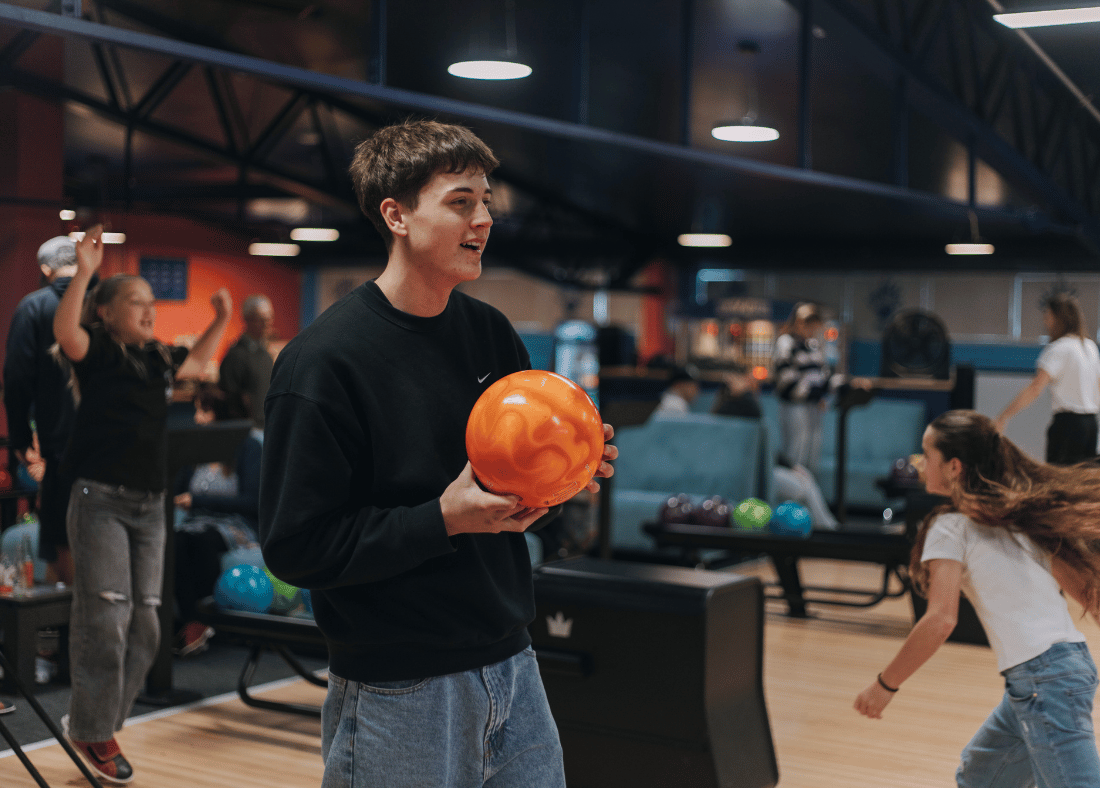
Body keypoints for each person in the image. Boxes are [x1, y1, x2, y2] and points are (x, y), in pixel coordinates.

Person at [259, 119, 617, 788]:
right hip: (399, 686)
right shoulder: (322, 364)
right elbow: (295, 546)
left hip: (512, 662)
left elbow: (503, 500)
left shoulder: (490, 333)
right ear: (396, 214)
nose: (483, 218)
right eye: (460, 201)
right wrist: (442, 519)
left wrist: (562, 473)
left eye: (485, 201)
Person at [53, 225, 231, 785]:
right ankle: (92, 729)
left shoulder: (155, 359)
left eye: (153, 304)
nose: (150, 312)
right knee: (106, 617)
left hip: (150, 507)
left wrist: (220, 320)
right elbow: (67, 330)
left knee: (149, 629)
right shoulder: (98, 352)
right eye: (137, 303)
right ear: (105, 312)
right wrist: (84, 272)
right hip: (100, 500)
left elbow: (197, 364)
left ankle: (95, 723)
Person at [854, 409, 1100, 787]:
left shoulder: (950, 527)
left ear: (954, 467)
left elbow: (940, 620)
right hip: (1059, 670)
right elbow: (1087, 593)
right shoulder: (1015, 516)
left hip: (1043, 681)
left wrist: (884, 685)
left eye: (927, 454)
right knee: (981, 777)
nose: (921, 463)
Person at [3, 235, 82, 586]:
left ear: (45, 269)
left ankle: (67, 634)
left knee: (62, 543)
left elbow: (17, 378)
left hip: (58, 448)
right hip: (111, 450)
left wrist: (19, 437)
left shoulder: (34, 307)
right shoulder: (103, 305)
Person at [172, 384, 262, 656]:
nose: (198, 418)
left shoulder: (249, 448)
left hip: (236, 526)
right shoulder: (197, 448)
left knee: (200, 541)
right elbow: (178, 489)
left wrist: (198, 501)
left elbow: (251, 502)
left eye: (205, 411)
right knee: (176, 540)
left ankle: (202, 619)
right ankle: (191, 619)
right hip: (194, 523)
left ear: (222, 414)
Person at [712, 370, 839, 529]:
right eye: (745, 380)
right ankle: (828, 528)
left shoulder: (740, 405)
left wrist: (791, 466)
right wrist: (745, 392)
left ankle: (828, 526)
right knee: (805, 485)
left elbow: (767, 448)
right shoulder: (741, 406)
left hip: (763, 470)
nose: (752, 383)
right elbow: (762, 450)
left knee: (806, 478)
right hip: (758, 474)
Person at [994, 293, 1100, 464]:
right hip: (1090, 425)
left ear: (1059, 318)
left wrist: (1003, 416)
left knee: (1060, 482)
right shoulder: (1090, 347)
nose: (1045, 321)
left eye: (1048, 316)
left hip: (1068, 426)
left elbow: (1035, 388)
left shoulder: (1058, 349)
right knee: (1083, 483)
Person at [772, 302, 871, 476]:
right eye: (811, 328)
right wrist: (815, 395)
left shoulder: (813, 345)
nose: (813, 332)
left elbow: (824, 378)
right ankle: (790, 501)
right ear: (800, 323)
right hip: (795, 408)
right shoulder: (785, 343)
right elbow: (787, 383)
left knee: (812, 456)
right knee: (796, 454)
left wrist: (849, 384)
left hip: (813, 408)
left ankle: (806, 499)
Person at [219, 293, 275, 429]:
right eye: (261, 319)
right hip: (246, 431)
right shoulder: (236, 356)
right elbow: (230, 399)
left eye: (269, 318)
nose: (266, 324)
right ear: (247, 319)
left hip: (266, 427)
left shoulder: (265, 355)